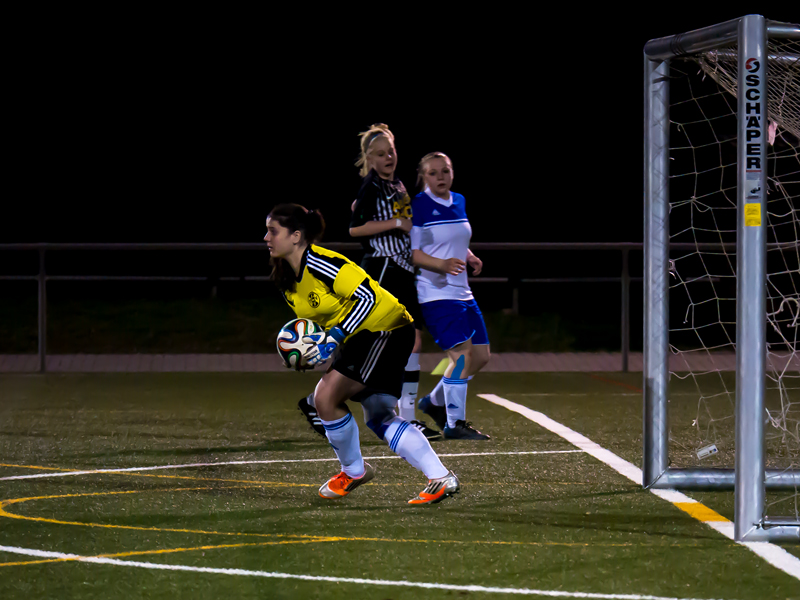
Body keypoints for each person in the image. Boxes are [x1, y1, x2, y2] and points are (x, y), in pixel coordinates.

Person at [265, 203, 459, 504]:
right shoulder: (287, 281)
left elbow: (366, 297)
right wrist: (306, 352)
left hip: (384, 327)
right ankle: (440, 477)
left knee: (325, 397)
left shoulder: (320, 262)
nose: (266, 237)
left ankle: (354, 471)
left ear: (296, 236)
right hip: (367, 335)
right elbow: (318, 325)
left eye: (272, 231)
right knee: (378, 414)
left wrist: (336, 337)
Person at [298, 123, 441, 441]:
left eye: (390, 150)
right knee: (385, 341)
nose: (388, 156)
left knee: (407, 340)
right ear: (370, 159)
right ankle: (402, 415)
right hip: (382, 268)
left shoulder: (396, 184)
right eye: (380, 153)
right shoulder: (373, 185)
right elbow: (354, 228)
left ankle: (320, 401)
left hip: (402, 269)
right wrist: (396, 222)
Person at [410, 152, 491, 440]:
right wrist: (442, 265)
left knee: (480, 356)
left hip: (463, 290)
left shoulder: (459, 201)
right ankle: (455, 424)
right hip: (436, 292)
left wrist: (468, 255)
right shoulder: (418, 206)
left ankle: (432, 402)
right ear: (424, 177)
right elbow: (415, 253)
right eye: (433, 173)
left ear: (452, 172)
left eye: (445, 171)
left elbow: (454, 238)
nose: (440, 177)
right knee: (460, 357)